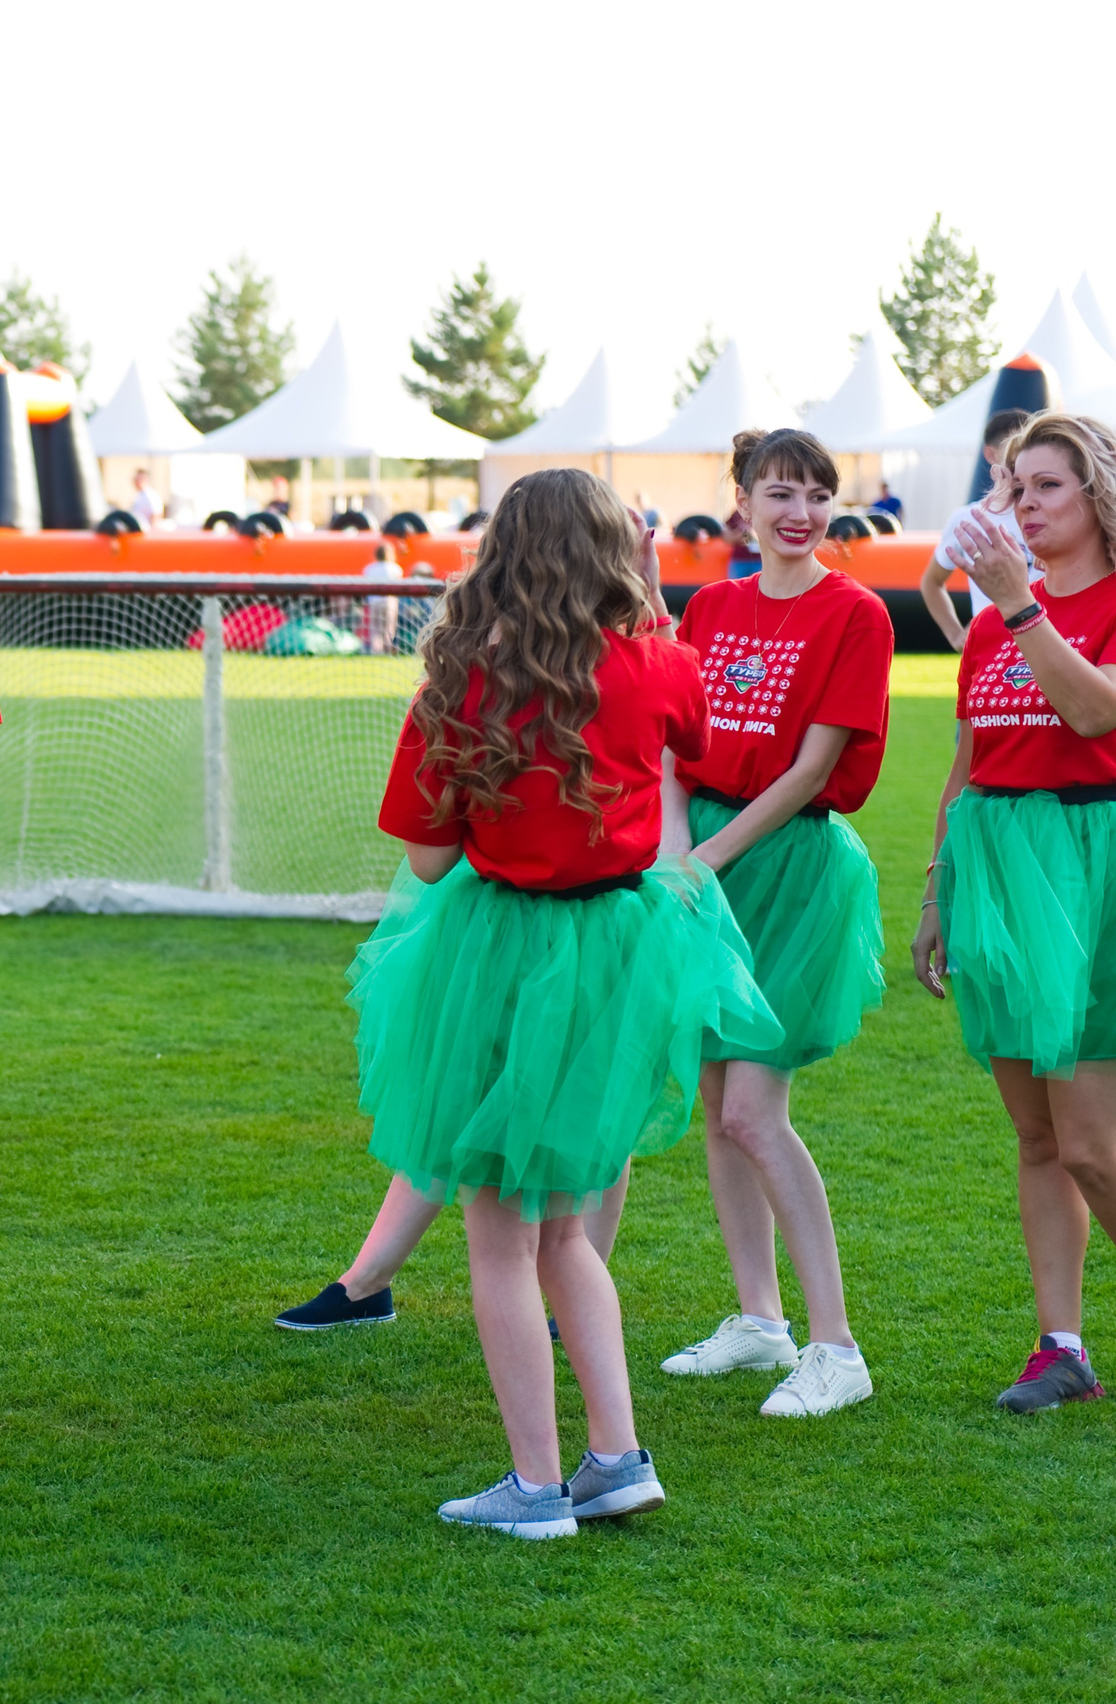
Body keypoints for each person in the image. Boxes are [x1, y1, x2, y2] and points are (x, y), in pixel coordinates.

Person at [351, 467, 776, 1537]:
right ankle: (616, 1458)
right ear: (614, 552)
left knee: (498, 1234)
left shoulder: (459, 677)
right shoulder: (658, 662)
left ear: (501, 551)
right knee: (567, 1231)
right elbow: (706, 753)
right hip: (616, 950)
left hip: (500, 950)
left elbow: (429, 860)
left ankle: (536, 1489)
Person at [660, 428, 890, 1417]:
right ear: (742, 502)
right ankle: (758, 1322)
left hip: (787, 865)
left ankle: (836, 1346)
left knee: (755, 1110)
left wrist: (708, 858)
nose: (800, 513)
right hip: (703, 861)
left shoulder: (857, 614)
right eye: (781, 493)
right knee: (718, 1110)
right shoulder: (709, 605)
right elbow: (670, 739)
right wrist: (676, 849)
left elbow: (808, 769)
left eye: (816, 496)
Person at [913, 411, 1116, 1413]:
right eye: (1011, 485)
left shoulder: (1062, 606)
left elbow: (1093, 713)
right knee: (1036, 1141)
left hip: (1092, 871)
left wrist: (1022, 609)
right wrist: (936, 892)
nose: (1022, 505)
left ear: (1097, 498)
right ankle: (1060, 1347)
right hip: (993, 871)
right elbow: (967, 762)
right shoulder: (988, 623)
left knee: (1092, 1145)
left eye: (1046, 486)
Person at [919, 410, 1038, 652]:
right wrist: (955, 634)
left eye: (1027, 448)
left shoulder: (1047, 512)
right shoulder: (968, 519)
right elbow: (931, 582)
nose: (1020, 459)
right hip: (992, 648)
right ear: (990, 454)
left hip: (1051, 641)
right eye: (1012, 449)